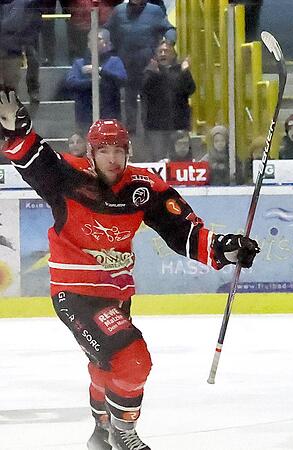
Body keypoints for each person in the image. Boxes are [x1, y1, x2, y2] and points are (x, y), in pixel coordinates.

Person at [0, 90, 259, 450]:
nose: (112, 158)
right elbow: (34, 158)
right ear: (90, 154)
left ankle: (100, 433)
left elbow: (183, 231)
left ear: (128, 151)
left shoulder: (144, 188)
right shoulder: (68, 177)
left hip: (117, 294)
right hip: (75, 294)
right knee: (132, 359)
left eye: (118, 150)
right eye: (104, 150)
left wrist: (224, 248)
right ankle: (123, 433)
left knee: (105, 364)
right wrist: (17, 131)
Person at [105, 0, 176, 134]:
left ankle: (149, 133)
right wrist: (105, 43)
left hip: (149, 65)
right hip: (126, 64)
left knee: (149, 100)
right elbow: (107, 30)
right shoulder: (118, 11)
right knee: (129, 99)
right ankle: (130, 133)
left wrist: (168, 43)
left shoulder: (155, 11)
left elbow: (169, 29)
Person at [140, 39, 195, 162]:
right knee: (159, 160)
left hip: (178, 124)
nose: (163, 54)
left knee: (181, 160)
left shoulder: (180, 70)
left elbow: (190, 89)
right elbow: (143, 90)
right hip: (157, 126)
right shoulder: (150, 71)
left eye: (166, 51)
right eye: (160, 51)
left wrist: (185, 72)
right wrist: (153, 74)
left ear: (173, 54)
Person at [64, 29, 127, 133]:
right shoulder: (79, 63)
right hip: (85, 117)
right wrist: (93, 82)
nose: (94, 42)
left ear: (108, 44)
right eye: (90, 40)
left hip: (110, 116)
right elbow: (71, 83)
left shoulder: (115, 61)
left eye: (98, 39)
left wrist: (100, 71)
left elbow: (122, 80)